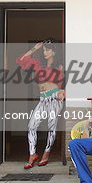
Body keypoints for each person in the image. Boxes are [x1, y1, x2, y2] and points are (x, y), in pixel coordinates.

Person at [16, 39, 65, 169]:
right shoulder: (37, 65)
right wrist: (35, 48)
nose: (45, 52)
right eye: (44, 50)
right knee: (31, 126)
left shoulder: (59, 66)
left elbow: (66, 82)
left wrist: (63, 91)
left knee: (51, 127)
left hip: (54, 98)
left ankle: (46, 153)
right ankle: (32, 154)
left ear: (54, 52)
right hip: (42, 99)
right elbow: (21, 60)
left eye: (47, 50)